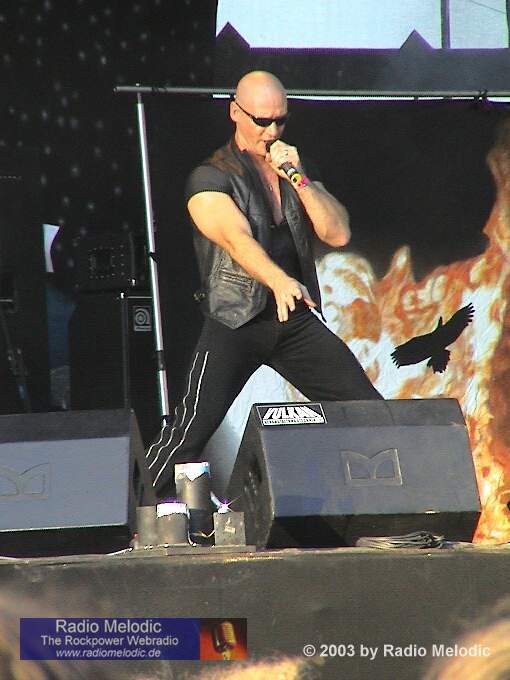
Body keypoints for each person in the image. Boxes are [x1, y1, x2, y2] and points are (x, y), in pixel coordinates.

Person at [146, 70, 382, 498]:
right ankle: (129, 513)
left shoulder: (295, 168)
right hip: (236, 318)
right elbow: (237, 240)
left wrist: (298, 177)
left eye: (280, 121)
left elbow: (337, 233)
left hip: (292, 320)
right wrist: (278, 280)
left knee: (367, 411)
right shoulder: (210, 176)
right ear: (235, 112)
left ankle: (389, 509)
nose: (271, 132)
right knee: (189, 431)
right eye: (261, 121)